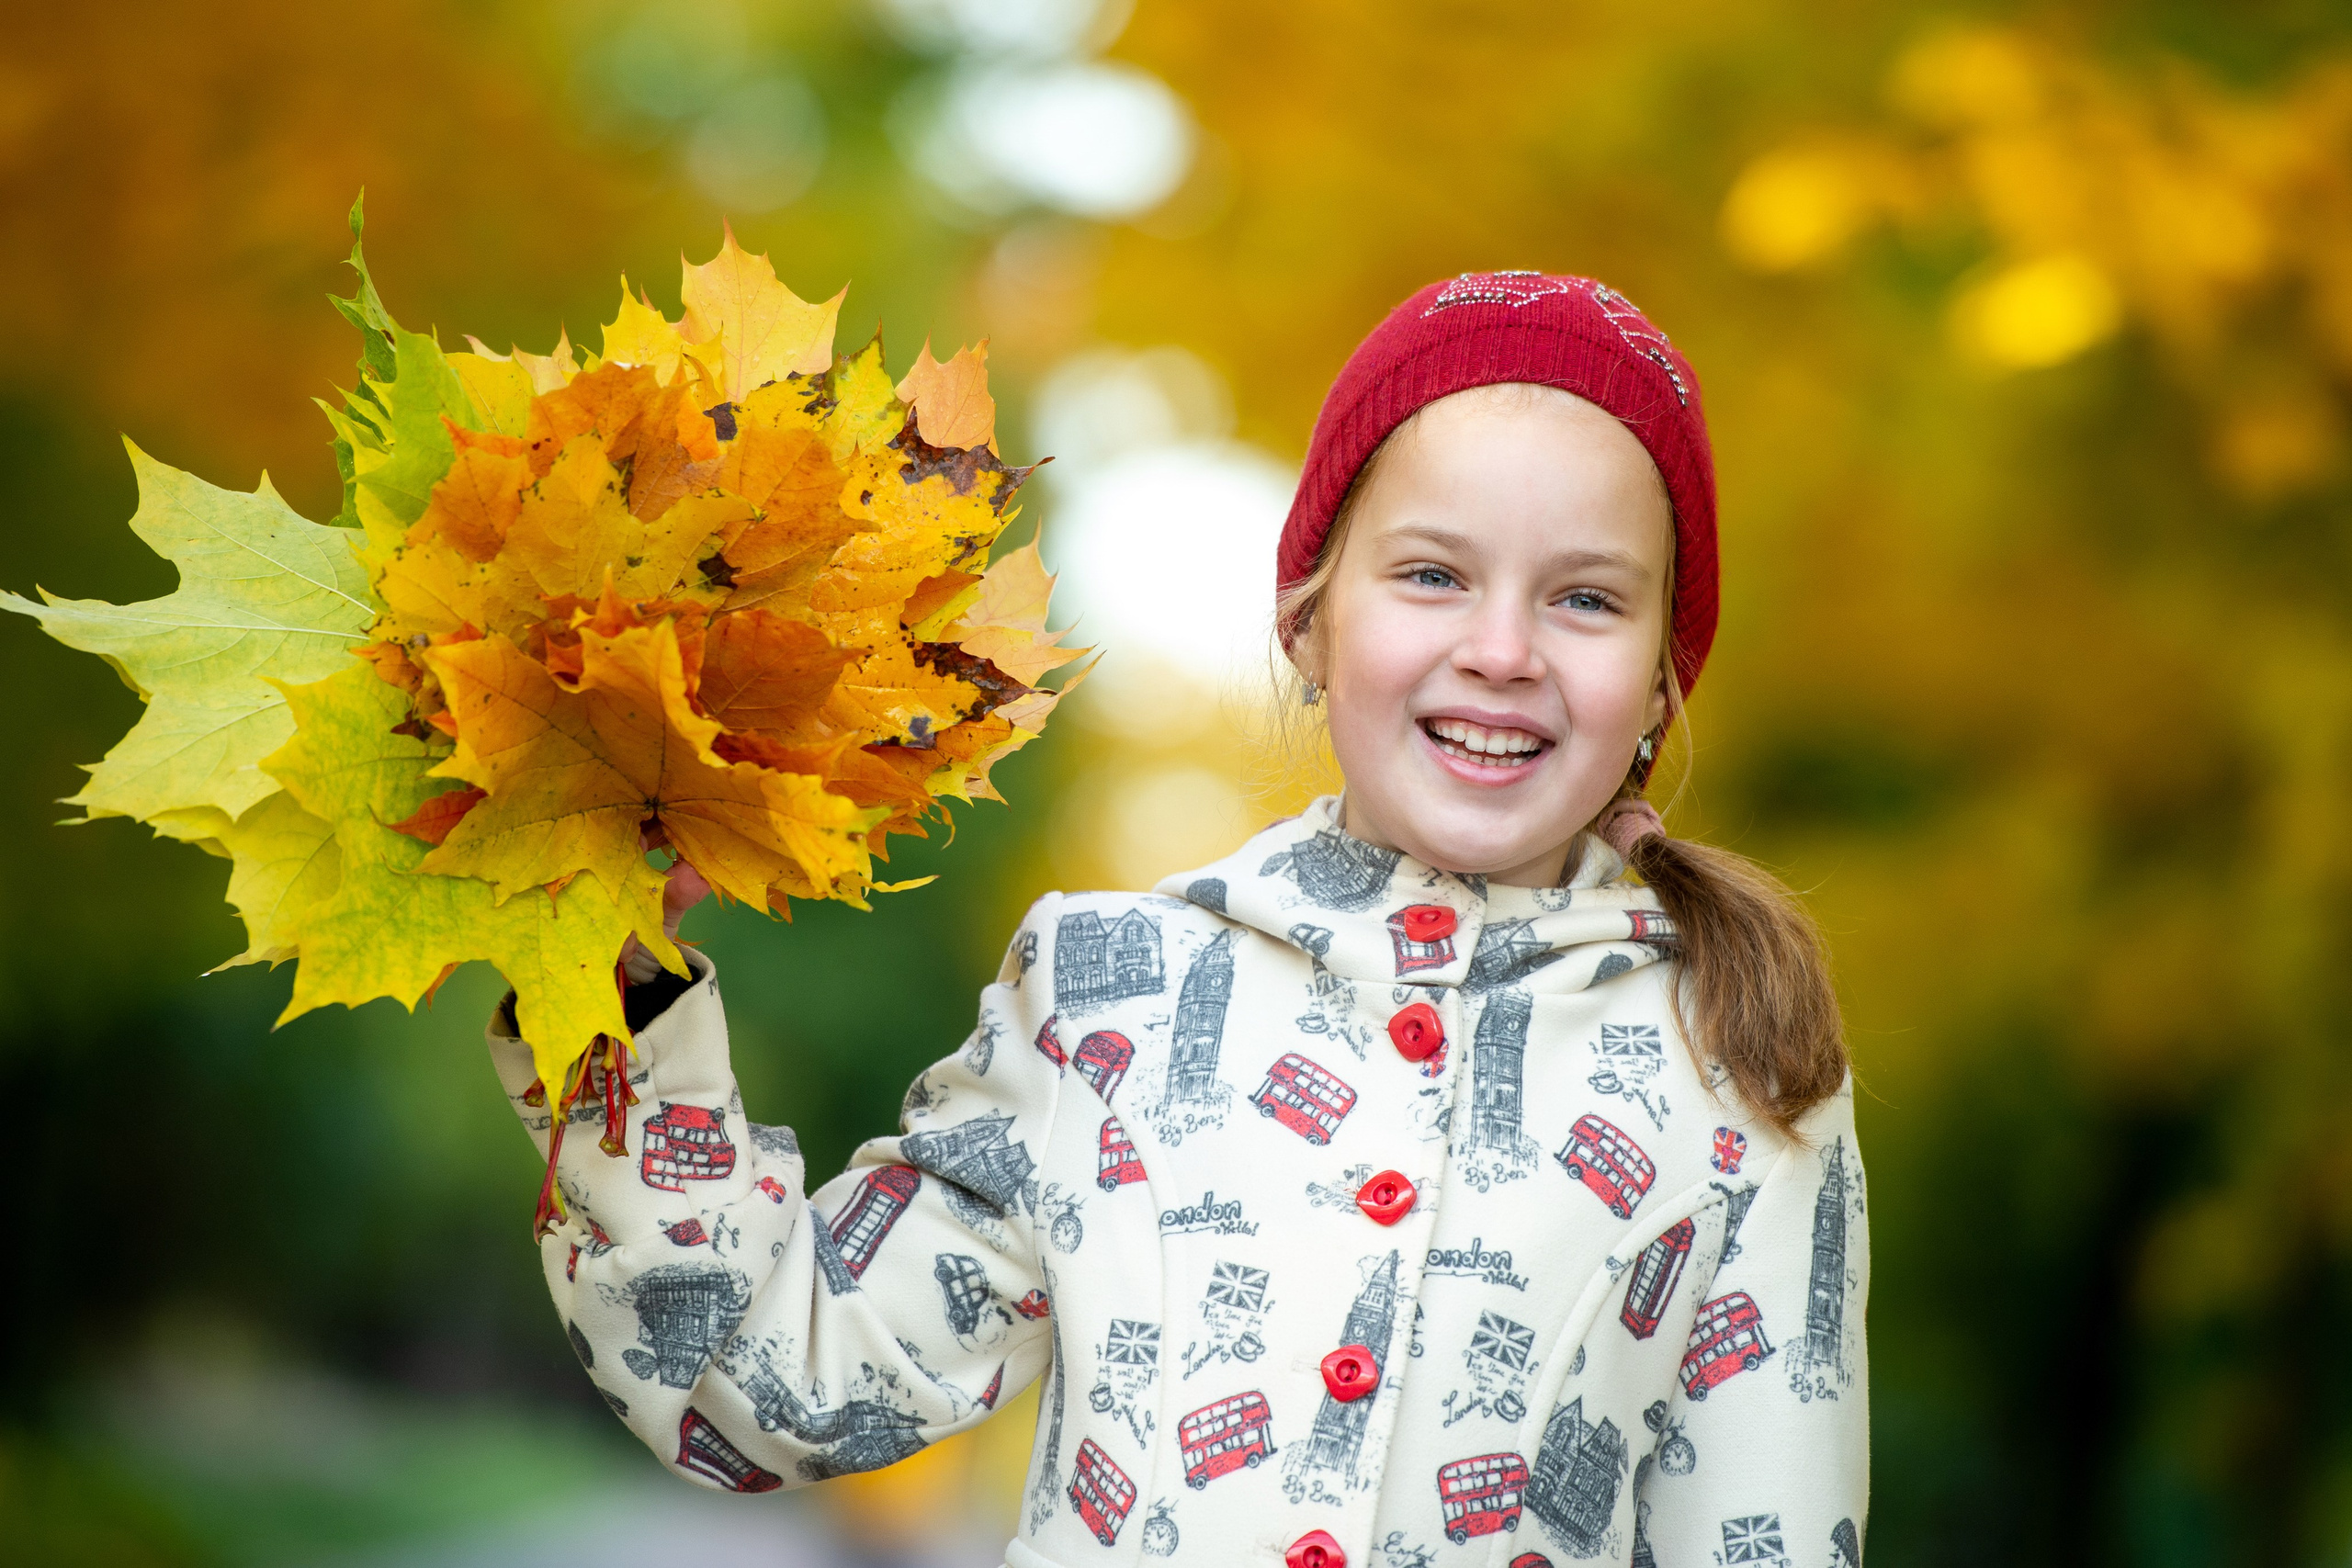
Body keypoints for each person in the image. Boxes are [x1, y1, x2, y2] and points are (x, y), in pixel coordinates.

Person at [492, 272, 1867, 1568]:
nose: (1503, 649)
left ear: (1660, 681)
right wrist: (609, 983)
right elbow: (757, 1382)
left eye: (1585, 598)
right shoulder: (1110, 999)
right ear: (1311, 622)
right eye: (1434, 574)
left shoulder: (1735, 1061)